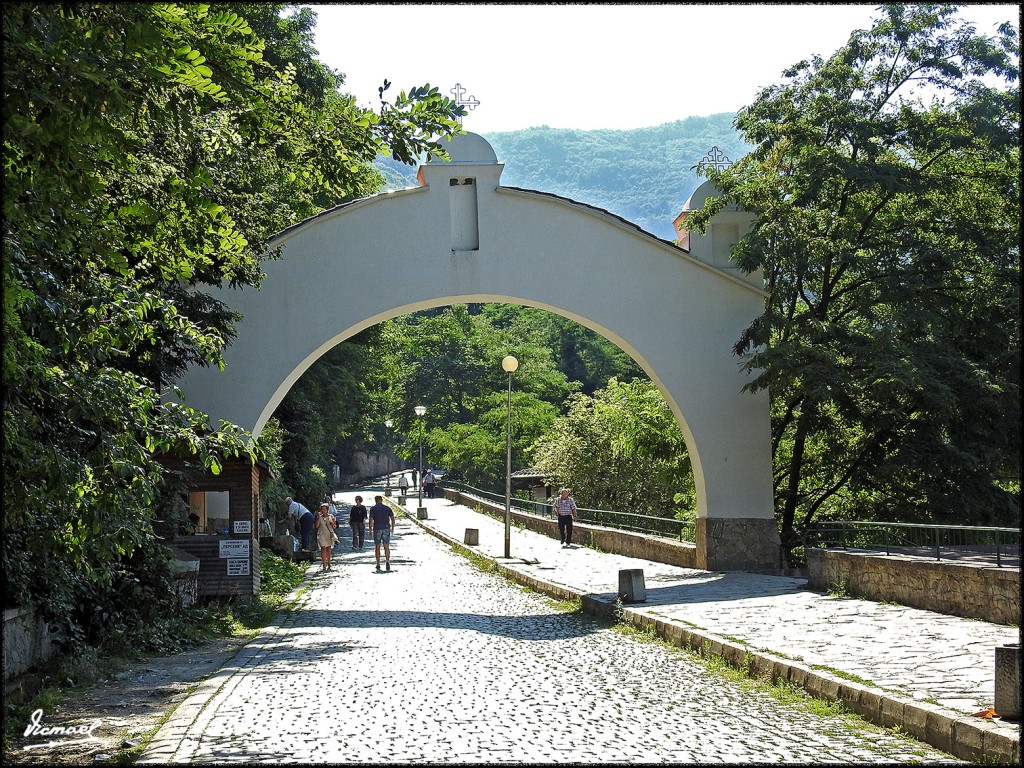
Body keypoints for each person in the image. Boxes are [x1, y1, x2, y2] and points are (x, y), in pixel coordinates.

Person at [367, 495, 395, 572]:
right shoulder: (387, 508)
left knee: (377, 546)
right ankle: (387, 561)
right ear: (381, 500)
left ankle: (378, 563)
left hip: (377, 528)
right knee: (386, 546)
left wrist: (370, 529)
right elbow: (392, 518)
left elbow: (371, 519)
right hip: (386, 528)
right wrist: (392, 528)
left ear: (375, 500)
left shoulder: (373, 509)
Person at [315, 502, 337, 571]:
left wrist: (332, 523)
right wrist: (319, 517)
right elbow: (317, 526)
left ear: (327, 510)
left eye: (324, 509)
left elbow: (334, 527)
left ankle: (329, 564)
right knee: (323, 549)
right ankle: (324, 565)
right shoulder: (320, 517)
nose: (323, 510)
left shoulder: (331, 516)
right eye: (322, 509)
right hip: (321, 534)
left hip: (329, 534)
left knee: (328, 549)